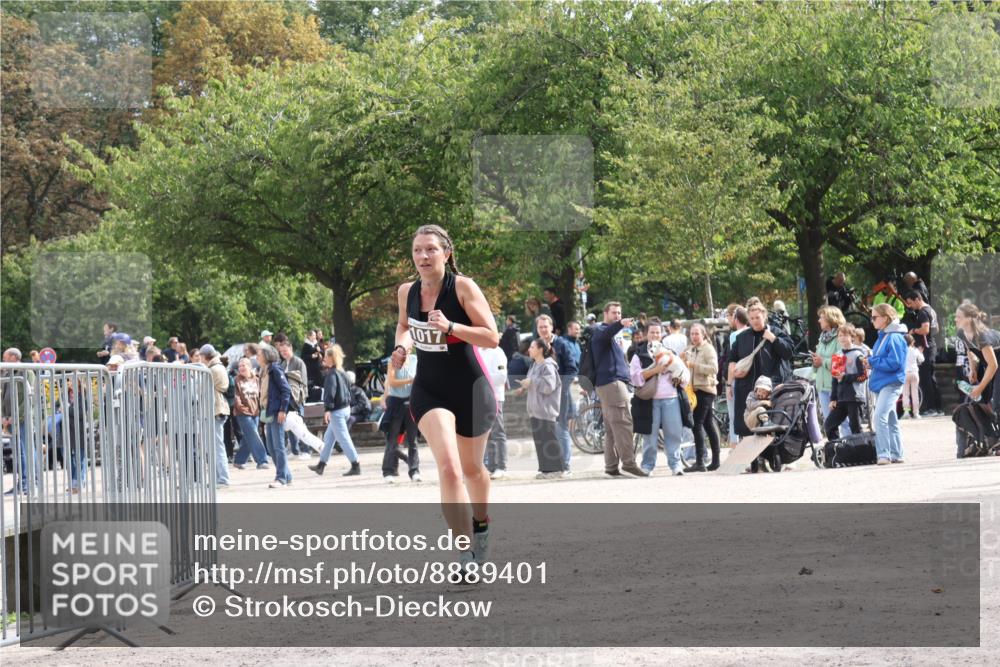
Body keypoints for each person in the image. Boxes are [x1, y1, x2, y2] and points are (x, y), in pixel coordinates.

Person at [390, 225, 498, 575]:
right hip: (429, 389)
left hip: (469, 387)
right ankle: (464, 557)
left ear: (446, 254)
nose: (423, 256)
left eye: (431, 250)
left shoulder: (463, 287)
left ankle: (481, 523)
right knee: (449, 468)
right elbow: (405, 326)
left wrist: (451, 326)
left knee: (473, 470)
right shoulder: (407, 291)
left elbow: (491, 337)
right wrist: (402, 348)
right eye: (418, 250)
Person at [592, 302, 646, 477]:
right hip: (612, 384)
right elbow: (608, 332)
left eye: (619, 313)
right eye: (614, 313)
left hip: (608, 384)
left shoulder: (610, 334)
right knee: (623, 424)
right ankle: (629, 464)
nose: (617, 315)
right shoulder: (601, 330)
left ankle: (611, 466)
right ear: (605, 313)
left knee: (611, 427)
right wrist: (620, 324)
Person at [631, 318, 689, 476]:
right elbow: (635, 377)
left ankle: (676, 464)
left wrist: (680, 378)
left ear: (662, 334)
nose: (655, 335)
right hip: (649, 400)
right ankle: (648, 465)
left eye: (658, 332)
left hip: (671, 397)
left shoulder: (670, 353)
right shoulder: (639, 354)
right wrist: (656, 370)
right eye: (652, 332)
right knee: (650, 435)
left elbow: (685, 373)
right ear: (646, 334)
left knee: (674, 433)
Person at [729, 302, 794, 439]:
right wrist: (732, 377)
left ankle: (774, 459)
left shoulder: (776, 332)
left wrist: (774, 339)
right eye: (751, 318)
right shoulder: (742, 337)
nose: (754, 321)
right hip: (748, 390)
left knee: (772, 427)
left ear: (764, 316)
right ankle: (755, 461)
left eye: (757, 317)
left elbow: (788, 352)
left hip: (771, 388)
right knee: (750, 429)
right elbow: (731, 359)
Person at [865, 304, 908, 465]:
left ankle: (884, 454)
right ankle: (897, 453)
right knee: (890, 419)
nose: (872, 320)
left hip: (890, 382)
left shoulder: (894, 337)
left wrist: (872, 361)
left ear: (886, 318)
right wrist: (872, 362)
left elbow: (895, 363)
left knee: (879, 417)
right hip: (884, 382)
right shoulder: (884, 335)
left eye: (875, 317)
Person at [309, 345, 361, 477]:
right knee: (329, 437)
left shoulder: (331, 374)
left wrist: (327, 409)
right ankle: (321, 465)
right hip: (345, 408)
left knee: (343, 438)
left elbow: (329, 394)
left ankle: (356, 464)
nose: (324, 358)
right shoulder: (342, 372)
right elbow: (350, 390)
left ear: (332, 358)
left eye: (326, 356)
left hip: (337, 411)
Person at [516, 337, 563, 479]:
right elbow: (533, 383)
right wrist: (523, 387)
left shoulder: (548, 365)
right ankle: (546, 470)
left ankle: (557, 469)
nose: (528, 350)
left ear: (540, 349)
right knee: (540, 440)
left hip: (546, 410)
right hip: (535, 410)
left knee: (549, 440)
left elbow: (549, 387)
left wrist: (532, 381)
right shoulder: (534, 365)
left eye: (532, 347)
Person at [684, 323, 720, 471]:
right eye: (692, 334)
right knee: (708, 425)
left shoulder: (708, 349)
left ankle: (699, 462)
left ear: (704, 334)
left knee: (697, 425)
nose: (694, 336)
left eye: (697, 334)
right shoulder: (692, 349)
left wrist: (694, 365)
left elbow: (714, 369)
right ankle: (715, 461)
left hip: (705, 390)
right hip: (695, 391)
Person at [381, 348, 420, 483]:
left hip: (411, 402)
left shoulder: (415, 359)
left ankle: (414, 470)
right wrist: (410, 380)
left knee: (412, 440)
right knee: (392, 439)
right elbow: (391, 382)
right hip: (396, 402)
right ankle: (388, 471)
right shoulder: (392, 361)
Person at [257, 343, 293, 488]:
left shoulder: (275, 370)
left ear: (266, 356)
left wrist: (283, 410)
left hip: (277, 412)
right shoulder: (263, 371)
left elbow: (286, 390)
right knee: (271, 447)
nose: (257, 357)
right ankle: (287, 475)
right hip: (268, 412)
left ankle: (281, 478)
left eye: (259, 354)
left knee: (278, 446)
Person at [955, 302, 1000, 415]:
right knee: (984, 398)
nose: (956, 319)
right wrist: (973, 369)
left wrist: (979, 387)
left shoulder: (981, 336)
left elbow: (993, 365)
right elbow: (969, 351)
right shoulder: (962, 333)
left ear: (969, 319)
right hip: (991, 363)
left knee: (997, 402)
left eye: (959, 317)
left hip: (994, 363)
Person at [902, 290, 942, 416]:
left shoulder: (923, 312)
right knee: (930, 377)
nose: (910, 306)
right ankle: (938, 407)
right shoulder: (931, 310)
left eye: (910, 303)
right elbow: (937, 329)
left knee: (925, 379)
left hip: (925, 348)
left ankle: (931, 408)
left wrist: (914, 330)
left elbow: (925, 329)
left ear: (917, 299)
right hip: (930, 346)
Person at [825, 325, 866, 440]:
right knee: (829, 425)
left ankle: (862, 456)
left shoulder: (859, 354)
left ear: (852, 337)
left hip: (854, 397)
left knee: (855, 428)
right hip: (841, 398)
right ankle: (837, 450)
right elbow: (834, 379)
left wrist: (846, 377)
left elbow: (863, 376)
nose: (842, 338)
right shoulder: (837, 355)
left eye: (846, 335)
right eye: (840, 335)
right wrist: (833, 398)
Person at [231, 357, 270, 470]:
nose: (241, 368)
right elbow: (236, 397)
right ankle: (262, 460)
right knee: (253, 434)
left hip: (256, 412)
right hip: (242, 413)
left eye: (244, 365)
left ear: (250, 367)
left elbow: (261, 395)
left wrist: (261, 408)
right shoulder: (236, 380)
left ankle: (239, 461)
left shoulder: (257, 379)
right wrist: (242, 408)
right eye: (240, 366)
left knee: (249, 437)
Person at [200, 344, 231, 488]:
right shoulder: (218, 367)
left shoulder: (213, 369)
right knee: (216, 445)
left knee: (217, 446)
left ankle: (222, 478)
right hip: (219, 408)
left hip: (215, 408)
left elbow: (202, 387)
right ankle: (219, 477)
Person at [812, 306, 847, 425]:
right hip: (822, 386)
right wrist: (815, 362)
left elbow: (840, 363)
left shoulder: (841, 337)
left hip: (836, 387)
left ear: (831, 319)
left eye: (821, 317)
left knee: (843, 423)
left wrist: (823, 361)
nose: (818, 320)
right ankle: (833, 444)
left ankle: (848, 443)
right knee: (829, 422)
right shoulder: (822, 338)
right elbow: (817, 362)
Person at [480, 343, 509, 480]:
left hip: (495, 397)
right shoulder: (478, 350)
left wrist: (480, 375)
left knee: (498, 432)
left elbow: (501, 377)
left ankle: (501, 466)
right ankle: (491, 466)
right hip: (480, 397)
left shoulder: (498, 352)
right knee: (486, 434)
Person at [557, 320, 582, 473]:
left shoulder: (576, 343)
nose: (578, 331)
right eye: (575, 329)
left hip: (574, 382)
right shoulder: (564, 342)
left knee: (566, 422)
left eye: (579, 329)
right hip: (568, 383)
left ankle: (565, 462)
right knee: (564, 423)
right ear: (569, 329)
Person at [725, 305, 749, 445]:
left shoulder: (735, 335)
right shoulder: (753, 332)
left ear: (735, 318)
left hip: (737, 376)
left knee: (734, 414)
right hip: (750, 379)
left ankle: (734, 445)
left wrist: (729, 383)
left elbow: (732, 361)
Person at [901, 334, 924, 420]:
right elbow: (922, 359)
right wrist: (921, 352)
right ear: (912, 342)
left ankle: (906, 412)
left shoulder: (902, 351)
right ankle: (916, 413)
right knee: (915, 394)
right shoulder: (915, 350)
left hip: (905, 373)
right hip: (914, 372)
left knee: (905, 394)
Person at [301, 329, 324, 400]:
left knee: (320, 381)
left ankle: (321, 396)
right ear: (309, 336)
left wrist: (320, 351)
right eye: (313, 335)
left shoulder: (317, 344)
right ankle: (311, 398)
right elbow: (303, 357)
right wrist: (311, 356)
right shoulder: (306, 345)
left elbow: (323, 352)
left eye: (315, 335)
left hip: (317, 366)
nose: (314, 337)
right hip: (310, 367)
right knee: (311, 383)